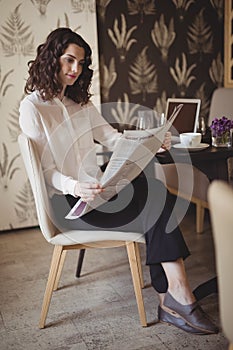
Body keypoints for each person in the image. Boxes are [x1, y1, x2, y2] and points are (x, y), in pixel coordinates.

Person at [19, 27, 218, 335]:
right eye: (69, 60)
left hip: (97, 193)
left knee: (152, 189)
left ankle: (176, 296)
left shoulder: (80, 104)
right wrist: (75, 186)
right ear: (51, 58)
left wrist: (150, 141)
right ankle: (177, 297)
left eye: (81, 63)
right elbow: (45, 172)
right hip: (68, 204)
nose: (75, 69)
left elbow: (113, 137)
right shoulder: (33, 108)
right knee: (155, 203)